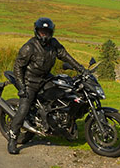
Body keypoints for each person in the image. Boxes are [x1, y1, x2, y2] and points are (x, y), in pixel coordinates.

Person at [7, 17, 85, 154]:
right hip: (30, 82)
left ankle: (59, 125)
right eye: (42, 31)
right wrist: (21, 87)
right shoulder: (29, 47)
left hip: (46, 79)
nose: (44, 34)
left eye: (46, 32)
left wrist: (80, 68)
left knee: (62, 95)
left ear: (51, 32)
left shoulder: (53, 44)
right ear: (37, 31)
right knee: (23, 109)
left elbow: (66, 56)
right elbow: (18, 67)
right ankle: (13, 138)